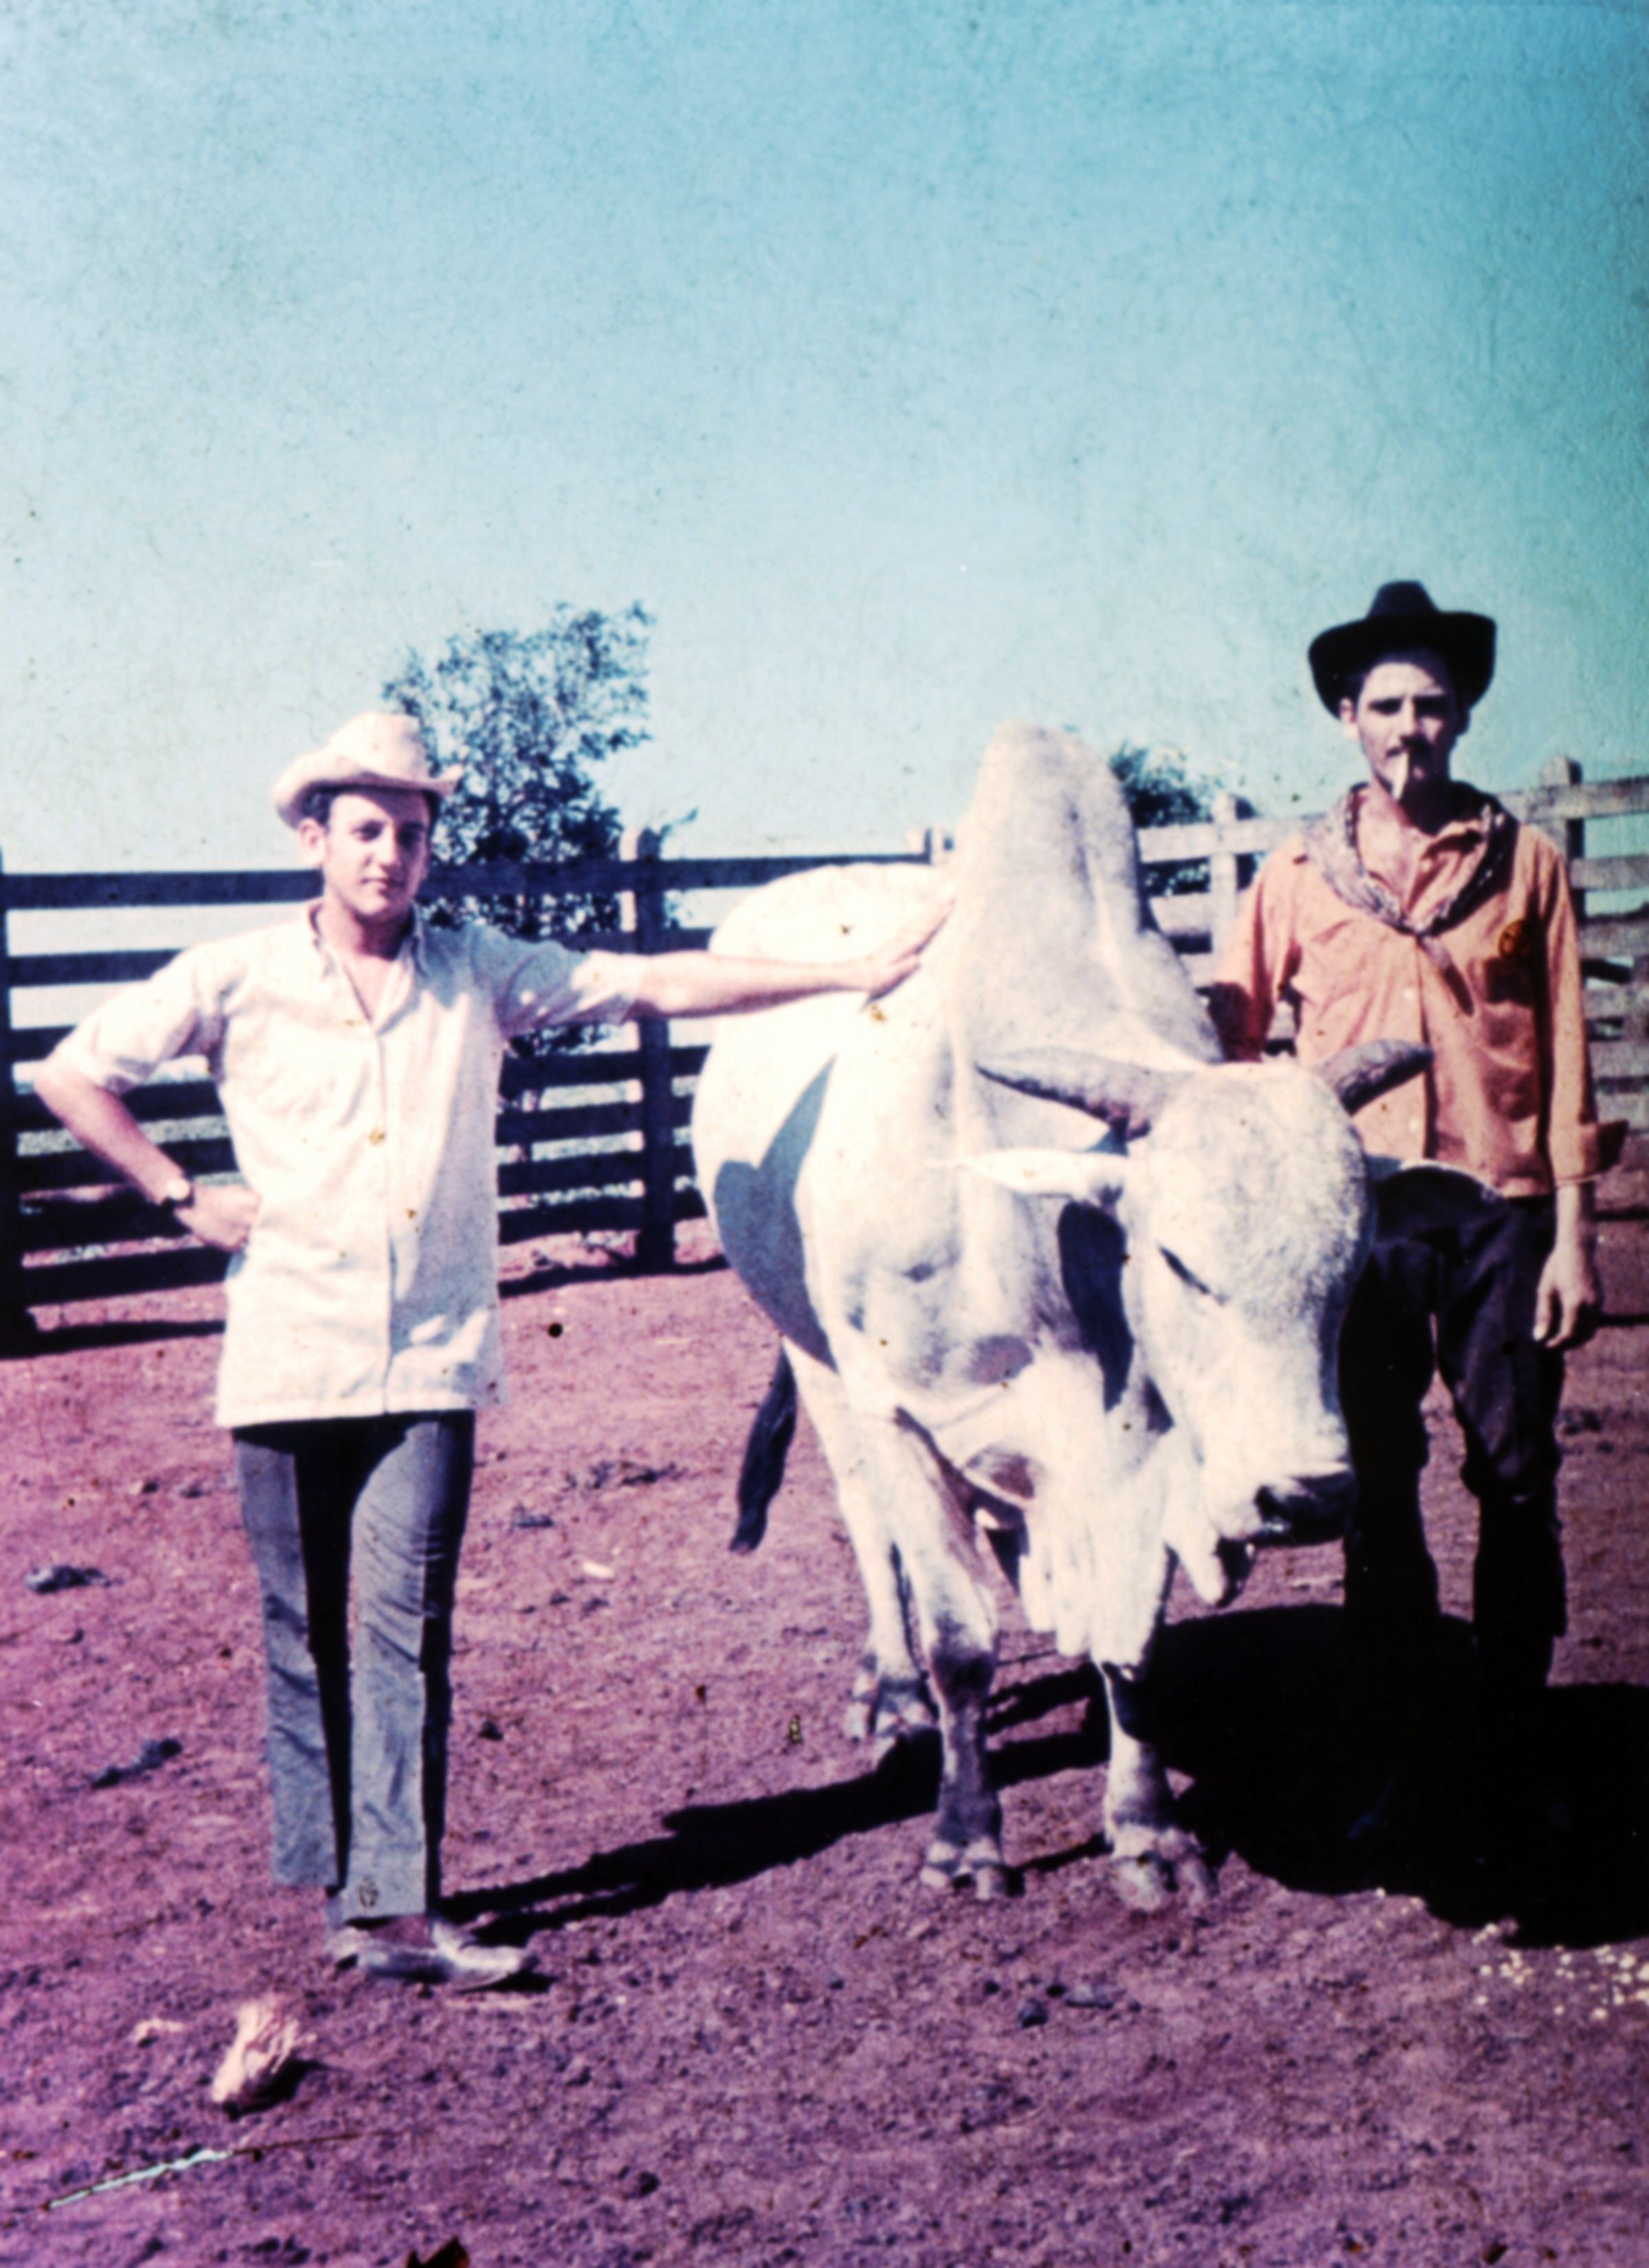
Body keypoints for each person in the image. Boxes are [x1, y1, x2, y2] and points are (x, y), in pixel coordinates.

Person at [34, 711, 949, 1986]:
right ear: (315, 837)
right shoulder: (232, 977)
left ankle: (401, 1910)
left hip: (427, 1360)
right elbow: (74, 1074)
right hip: (287, 1352)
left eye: (411, 835)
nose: (390, 859)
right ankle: (343, 1888)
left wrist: (844, 977)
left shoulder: (475, 972)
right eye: (366, 832)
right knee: (306, 1632)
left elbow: (654, 980)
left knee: (404, 1624)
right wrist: (180, 1194)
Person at [1207, 583, 1604, 1848]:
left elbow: (1573, 1060)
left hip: (1498, 1222)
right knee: (1378, 1492)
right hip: (1357, 1231)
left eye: (1434, 704)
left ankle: (1511, 1753)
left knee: (1519, 1482)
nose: (1411, 728)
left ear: (1466, 712)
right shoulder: (1295, 877)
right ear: (1345, 719)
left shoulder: (1522, 863)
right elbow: (1232, 1033)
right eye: (1386, 705)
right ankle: (1400, 1760)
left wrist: (1576, 1243)